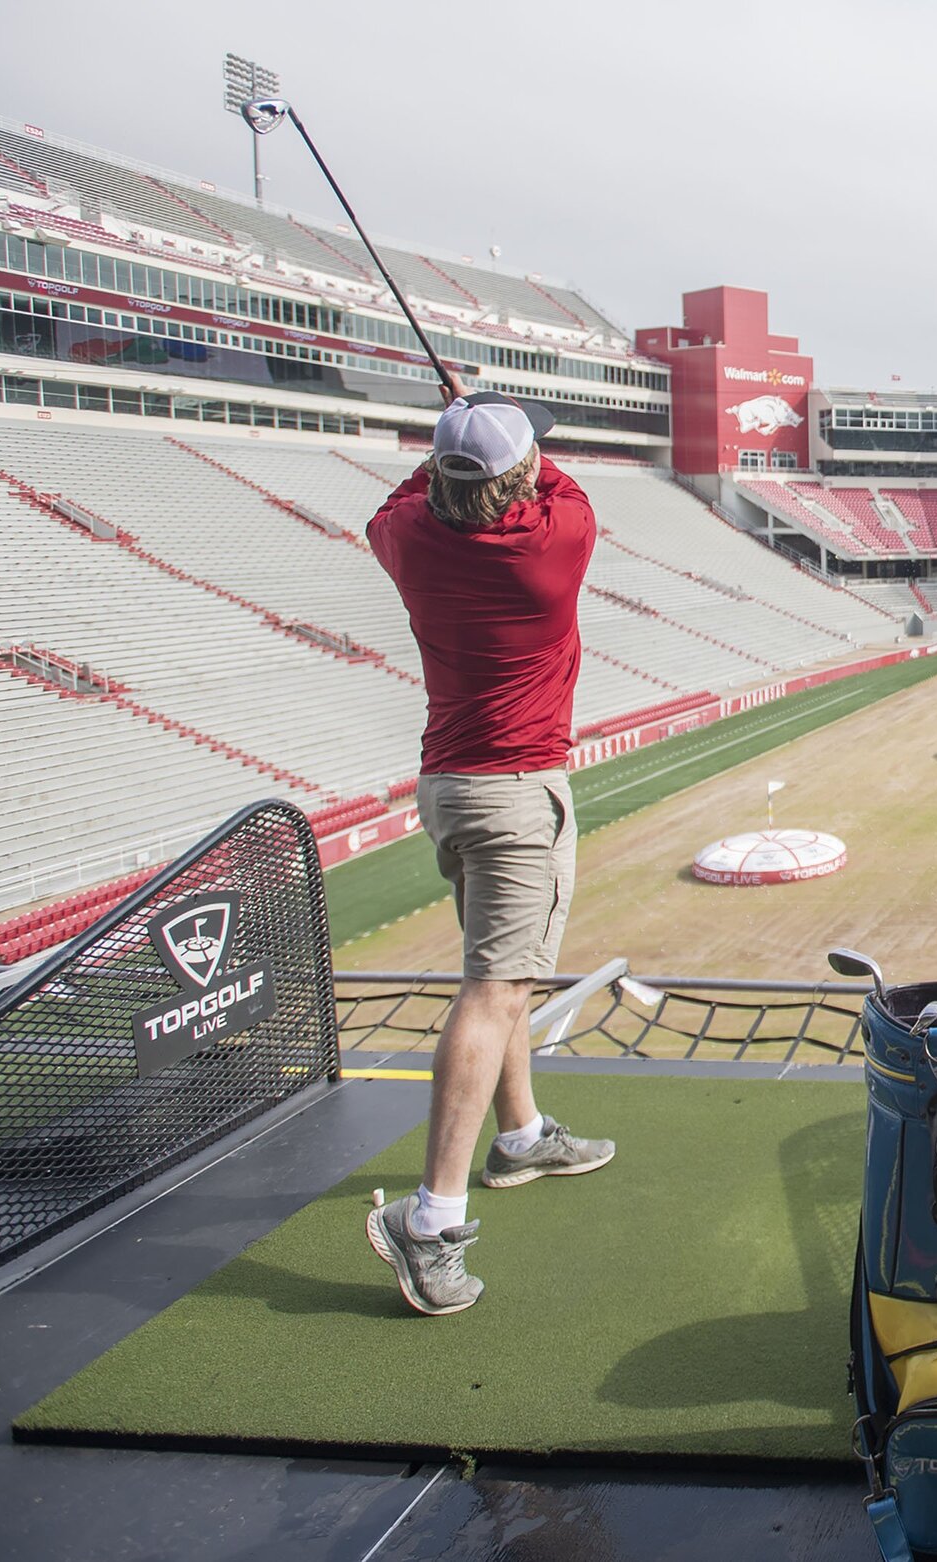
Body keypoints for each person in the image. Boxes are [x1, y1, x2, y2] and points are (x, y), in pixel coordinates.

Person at [362, 391, 614, 1316]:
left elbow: (398, 503)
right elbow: (555, 478)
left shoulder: (409, 543)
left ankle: (522, 1133)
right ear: (516, 479)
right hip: (515, 797)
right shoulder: (554, 546)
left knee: (498, 973)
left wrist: (455, 429)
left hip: (447, 788)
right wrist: (469, 420)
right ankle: (430, 1219)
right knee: (496, 990)